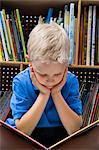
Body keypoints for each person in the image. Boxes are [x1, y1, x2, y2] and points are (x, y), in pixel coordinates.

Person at [6, 22, 82, 147]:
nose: (50, 80)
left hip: (60, 135)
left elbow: (74, 130)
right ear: (30, 62)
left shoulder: (71, 81)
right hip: (27, 135)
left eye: (57, 74)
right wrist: (44, 94)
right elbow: (23, 131)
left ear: (66, 66)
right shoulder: (21, 82)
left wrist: (56, 93)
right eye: (43, 74)